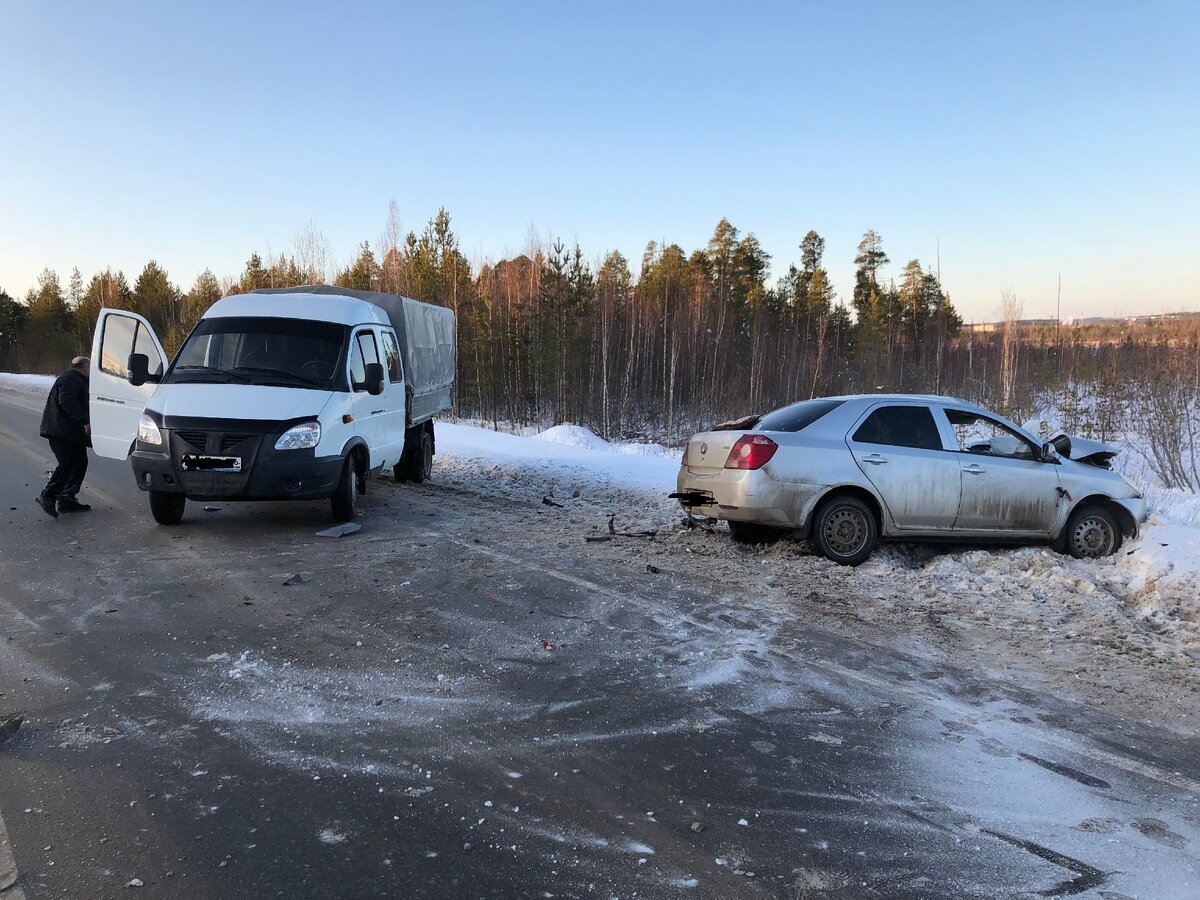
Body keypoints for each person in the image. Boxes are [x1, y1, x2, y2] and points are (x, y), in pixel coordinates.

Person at [37, 356, 93, 518]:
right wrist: (84, 421)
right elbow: (67, 401)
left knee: (80, 463)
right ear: (86, 368)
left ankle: (66, 499)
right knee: (69, 463)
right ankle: (47, 495)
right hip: (61, 432)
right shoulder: (70, 379)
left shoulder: (77, 380)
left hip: (70, 434)